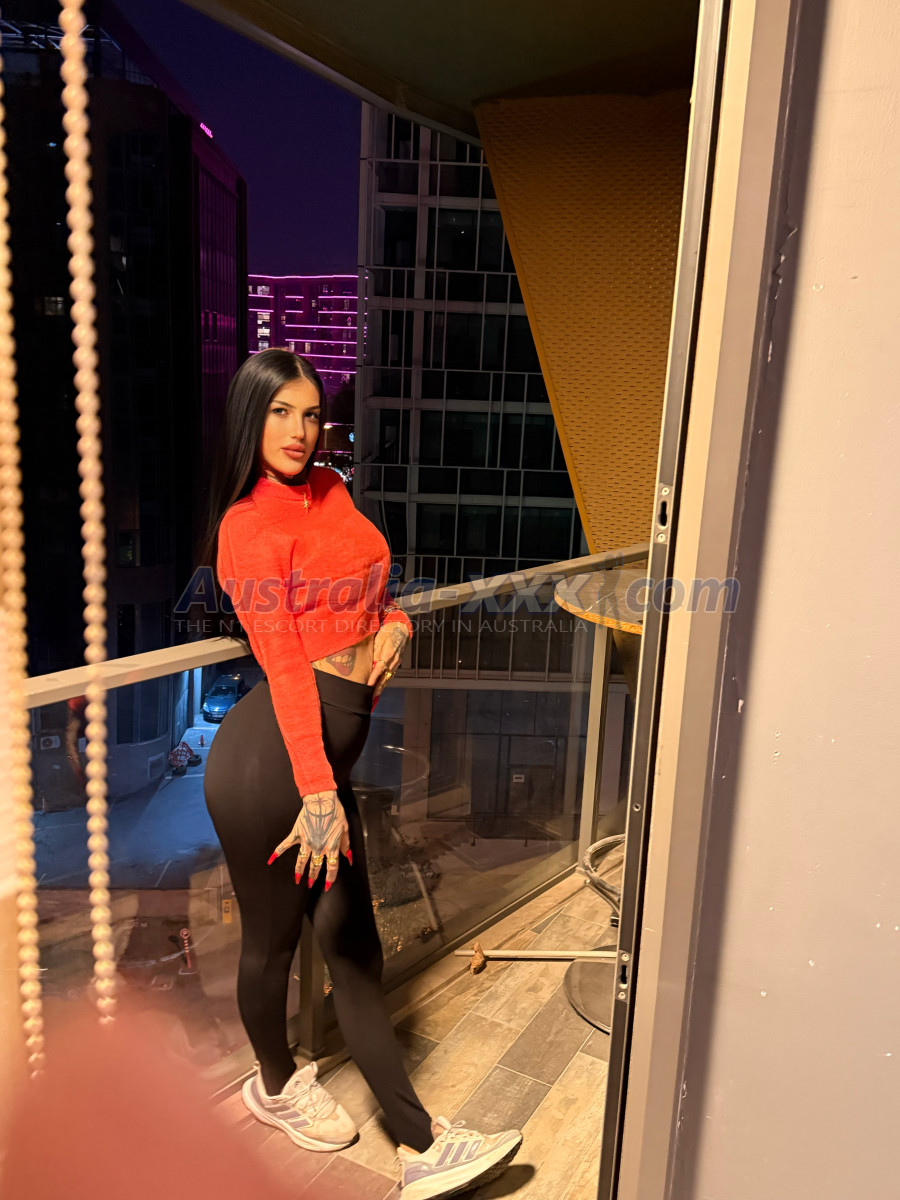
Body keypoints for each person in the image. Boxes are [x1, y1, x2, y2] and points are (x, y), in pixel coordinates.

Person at [201, 350, 522, 1199]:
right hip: (271, 765)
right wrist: (317, 791)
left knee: (354, 949)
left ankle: (420, 1148)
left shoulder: (332, 491)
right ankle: (276, 1086)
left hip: (315, 763)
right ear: (250, 418)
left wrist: (398, 625)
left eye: (310, 414)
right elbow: (284, 663)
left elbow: (371, 593)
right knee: (274, 944)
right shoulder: (246, 527)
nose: (299, 431)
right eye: (280, 413)